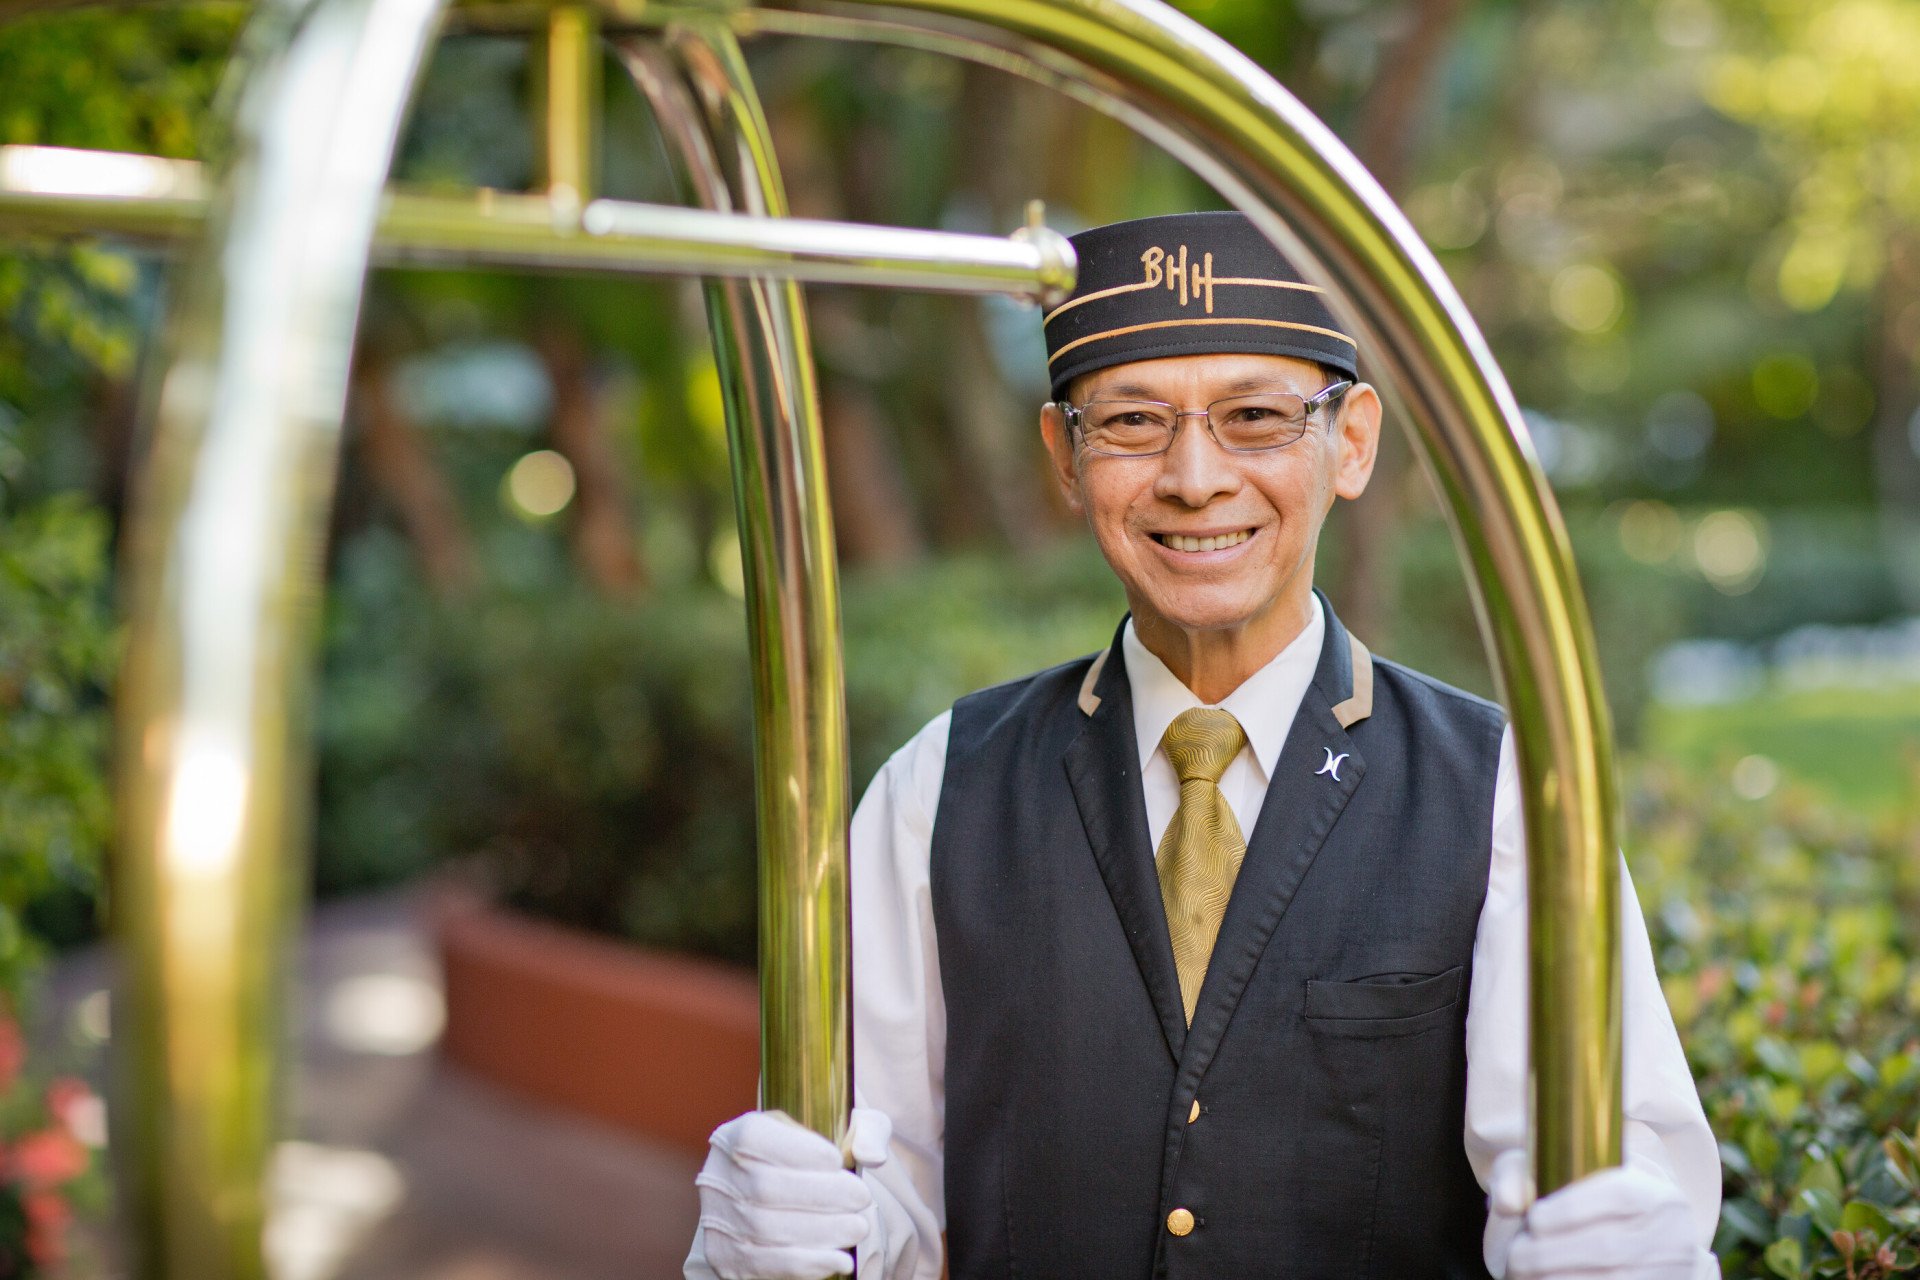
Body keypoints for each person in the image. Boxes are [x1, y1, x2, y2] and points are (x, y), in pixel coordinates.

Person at [684, 211, 1721, 1280]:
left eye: (1256, 416)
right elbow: (877, 1184)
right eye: (1132, 421)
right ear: (1065, 456)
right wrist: (790, 1233)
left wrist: (1634, 1245)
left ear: (1351, 440)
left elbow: (1591, 1187)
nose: (1193, 475)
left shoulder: (1501, 795)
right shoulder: (940, 785)